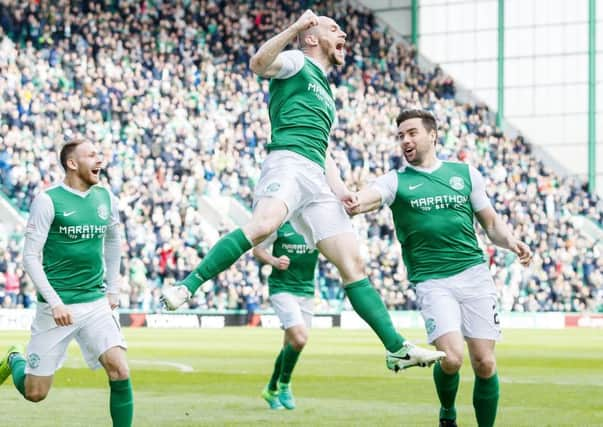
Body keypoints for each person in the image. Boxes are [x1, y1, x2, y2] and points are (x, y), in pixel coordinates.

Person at [161, 9, 445, 371]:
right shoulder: (297, 61)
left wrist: (341, 189)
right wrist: (296, 26)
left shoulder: (327, 92)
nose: (343, 33)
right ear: (313, 38)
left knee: (352, 262)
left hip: (316, 177)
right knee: (263, 225)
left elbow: (323, 150)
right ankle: (188, 285)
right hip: (288, 162)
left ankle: (395, 348)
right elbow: (258, 64)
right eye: (334, 27)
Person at [347, 109, 533, 427]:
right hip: (432, 281)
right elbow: (369, 197)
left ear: (432, 135)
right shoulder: (396, 181)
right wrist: (354, 200)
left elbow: (490, 224)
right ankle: (448, 412)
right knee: (452, 359)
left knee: (485, 363)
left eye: (411, 133)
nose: (405, 140)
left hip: (474, 274)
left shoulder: (466, 174)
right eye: (400, 135)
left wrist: (512, 241)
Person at [0, 140, 134, 427]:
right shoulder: (48, 200)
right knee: (35, 393)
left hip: (95, 302)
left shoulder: (106, 197)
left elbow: (113, 241)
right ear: (72, 164)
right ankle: (14, 358)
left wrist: (113, 287)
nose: (100, 160)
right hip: (55, 310)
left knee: (120, 370)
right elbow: (30, 257)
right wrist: (55, 301)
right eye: (92, 155)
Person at [253, 221, 320, 410]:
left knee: (290, 345)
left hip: (306, 291)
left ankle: (271, 389)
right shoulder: (281, 225)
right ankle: (285, 384)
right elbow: (257, 250)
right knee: (300, 339)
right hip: (282, 289)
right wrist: (274, 261)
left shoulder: (317, 225)